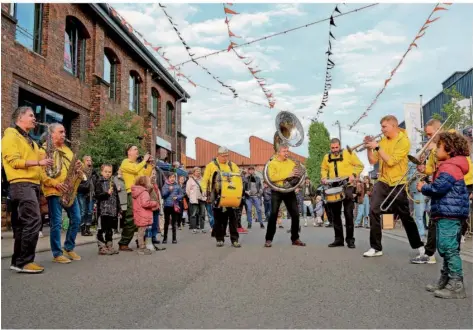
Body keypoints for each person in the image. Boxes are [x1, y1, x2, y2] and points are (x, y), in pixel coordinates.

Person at [417, 132, 470, 299]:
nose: (435, 150)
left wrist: (424, 187)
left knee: (448, 248)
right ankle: (446, 280)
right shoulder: (450, 165)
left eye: (438, 147)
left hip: (449, 214)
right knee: (447, 248)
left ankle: (456, 284)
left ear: (450, 149)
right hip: (449, 212)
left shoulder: (449, 167)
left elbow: (439, 188)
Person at [363, 115, 424, 257]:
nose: (381, 130)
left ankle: (419, 246)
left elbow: (391, 162)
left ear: (393, 126)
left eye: (384, 127)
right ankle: (376, 247)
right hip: (383, 181)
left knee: (405, 216)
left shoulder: (404, 141)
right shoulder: (383, 141)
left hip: (398, 182)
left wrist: (377, 146)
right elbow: (372, 161)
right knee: (373, 210)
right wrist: (369, 148)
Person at [2, 106, 54, 273]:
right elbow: (14, 161)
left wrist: (48, 152)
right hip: (21, 184)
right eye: (31, 115)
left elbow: (41, 158)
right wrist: (39, 163)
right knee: (33, 221)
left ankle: (17, 261)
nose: (34, 118)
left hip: (30, 184)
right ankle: (25, 262)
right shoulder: (10, 136)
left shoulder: (29, 140)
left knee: (21, 225)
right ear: (20, 118)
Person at [40, 123, 84, 264]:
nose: (64, 134)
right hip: (54, 191)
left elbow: (77, 166)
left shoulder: (67, 150)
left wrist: (79, 168)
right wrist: (56, 183)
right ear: (51, 133)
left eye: (64, 132)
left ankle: (68, 247)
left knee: (77, 218)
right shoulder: (44, 150)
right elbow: (41, 174)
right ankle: (57, 253)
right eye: (61, 132)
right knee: (57, 223)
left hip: (70, 190)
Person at [321, 138, 364, 248]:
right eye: (332, 148)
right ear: (330, 147)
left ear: (340, 146)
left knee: (348, 213)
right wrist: (324, 177)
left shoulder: (348, 153)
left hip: (347, 186)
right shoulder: (327, 157)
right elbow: (324, 169)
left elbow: (360, 165)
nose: (335, 150)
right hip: (333, 187)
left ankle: (350, 240)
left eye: (336, 147)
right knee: (335, 215)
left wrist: (353, 175)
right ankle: (338, 239)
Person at [264, 143, 306, 248]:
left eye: (287, 151)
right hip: (276, 191)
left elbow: (296, 174)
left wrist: (297, 175)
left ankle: (295, 238)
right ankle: (268, 239)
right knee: (273, 215)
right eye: (284, 151)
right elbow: (272, 177)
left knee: (295, 214)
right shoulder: (272, 163)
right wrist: (287, 175)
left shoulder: (291, 162)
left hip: (289, 191)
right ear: (279, 152)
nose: (287, 153)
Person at [201, 147, 242, 248]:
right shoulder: (211, 166)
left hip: (230, 195)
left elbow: (238, 178)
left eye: (226, 156)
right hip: (216, 195)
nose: (225, 158)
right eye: (223, 156)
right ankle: (219, 239)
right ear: (218, 155)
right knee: (218, 219)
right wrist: (204, 190)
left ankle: (234, 240)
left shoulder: (232, 165)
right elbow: (205, 179)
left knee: (233, 219)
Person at [117, 145, 152, 251]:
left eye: (137, 149)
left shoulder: (138, 164)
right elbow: (135, 170)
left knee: (142, 218)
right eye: (135, 149)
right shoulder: (125, 162)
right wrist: (144, 161)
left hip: (141, 194)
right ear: (129, 152)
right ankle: (123, 243)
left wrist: (149, 165)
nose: (137, 151)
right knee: (131, 219)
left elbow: (145, 176)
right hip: (131, 194)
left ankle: (140, 241)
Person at [94, 164, 121, 255]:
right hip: (102, 211)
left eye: (109, 172)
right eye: (106, 171)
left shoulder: (113, 183)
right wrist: (106, 193)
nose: (108, 173)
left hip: (112, 210)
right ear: (101, 172)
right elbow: (97, 196)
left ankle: (109, 244)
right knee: (101, 229)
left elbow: (116, 196)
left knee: (110, 229)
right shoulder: (99, 182)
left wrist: (118, 209)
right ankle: (101, 246)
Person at [132, 176, 159, 255]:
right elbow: (145, 203)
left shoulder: (138, 191)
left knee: (140, 232)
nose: (150, 183)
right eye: (149, 182)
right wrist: (154, 203)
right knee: (142, 232)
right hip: (144, 215)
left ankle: (142, 246)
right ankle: (142, 248)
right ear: (145, 183)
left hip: (139, 214)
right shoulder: (144, 192)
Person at [161, 173, 183, 244]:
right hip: (167, 206)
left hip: (174, 206)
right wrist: (169, 190)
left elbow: (181, 195)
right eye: (171, 177)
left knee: (174, 223)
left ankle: (174, 238)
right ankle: (165, 238)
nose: (172, 178)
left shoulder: (177, 186)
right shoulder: (165, 185)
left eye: (173, 177)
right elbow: (163, 195)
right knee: (166, 223)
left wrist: (177, 197)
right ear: (168, 178)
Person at [186, 167, 207, 234]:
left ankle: (202, 228)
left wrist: (205, 194)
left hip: (202, 198)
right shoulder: (190, 180)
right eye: (197, 171)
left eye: (199, 171)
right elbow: (187, 190)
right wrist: (191, 197)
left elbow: (205, 188)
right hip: (194, 199)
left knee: (202, 214)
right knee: (194, 214)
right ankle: (194, 228)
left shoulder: (203, 179)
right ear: (194, 172)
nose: (198, 172)